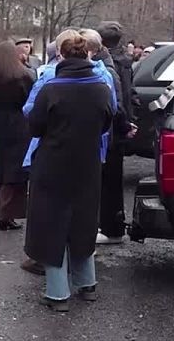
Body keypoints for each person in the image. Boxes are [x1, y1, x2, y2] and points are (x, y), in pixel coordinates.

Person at [25, 33, 114, 312]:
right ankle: (87, 284)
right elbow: (106, 123)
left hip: (53, 166)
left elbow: (35, 127)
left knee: (52, 225)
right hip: (87, 165)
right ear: (88, 54)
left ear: (60, 55)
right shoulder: (101, 88)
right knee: (83, 222)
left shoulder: (51, 89)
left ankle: (57, 293)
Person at [0, 41, 34, 231]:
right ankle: (7, 215)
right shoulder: (23, 76)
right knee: (14, 172)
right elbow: (30, 101)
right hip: (17, 125)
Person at [96, 21, 139, 245]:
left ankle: (111, 228)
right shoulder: (125, 61)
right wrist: (130, 121)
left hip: (111, 127)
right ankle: (113, 224)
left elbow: (116, 101)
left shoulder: (106, 66)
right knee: (113, 179)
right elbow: (130, 94)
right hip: (120, 126)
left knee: (107, 180)